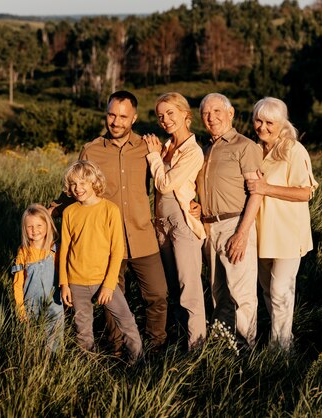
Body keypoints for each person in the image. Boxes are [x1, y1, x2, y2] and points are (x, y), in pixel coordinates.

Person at [50, 90, 168, 354]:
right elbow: (76, 186)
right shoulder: (91, 150)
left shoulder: (146, 147)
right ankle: (115, 351)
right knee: (111, 301)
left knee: (158, 294)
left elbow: (167, 181)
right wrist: (53, 209)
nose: (116, 121)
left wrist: (193, 202)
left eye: (123, 117)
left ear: (134, 118)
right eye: (111, 115)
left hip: (142, 236)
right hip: (105, 243)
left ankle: (156, 348)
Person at [247, 97, 319, 351]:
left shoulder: (293, 150)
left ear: (282, 124)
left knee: (279, 289)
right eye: (258, 120)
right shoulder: (253, 149)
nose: (263, 127)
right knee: (267, 290)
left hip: (287, 233)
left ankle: (281, 347)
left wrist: (267, 188)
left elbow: (305, 192)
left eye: (269, 122)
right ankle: (280, 337)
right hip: (261, 232)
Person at [194, 93, 263, 349]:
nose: (211, 117)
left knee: (241, 293)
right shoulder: (205, 150)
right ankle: (225, 346)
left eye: (216, 111)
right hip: (209, 227)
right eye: (206, 113)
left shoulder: (245, 146)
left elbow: (256, 193)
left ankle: (247, 349)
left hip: (235, 225)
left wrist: (242, 234)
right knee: (218, 292)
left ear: (230, 113)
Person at [59, 160, 143, 362]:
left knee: (126, 321)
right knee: (83, 328)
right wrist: (64, 284)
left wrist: (108, 284)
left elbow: (117, 250)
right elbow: (64, 250)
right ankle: (89, 365)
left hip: (105, 281)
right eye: (73, 185)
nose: (77, 189)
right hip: (76, 282)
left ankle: (138, 361)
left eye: (82, 183)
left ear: (94, 182)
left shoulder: (109, 209)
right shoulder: (69, 212)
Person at [142, 92, 207, 350]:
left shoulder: (193, 151)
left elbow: (166, 184)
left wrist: (154, 156)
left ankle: (197, 348)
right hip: (161, 224)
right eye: (160, 116)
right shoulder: (167, 147)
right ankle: (181, 341)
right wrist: (158, 153)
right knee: (173, 288)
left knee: (189, 288)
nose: (165, 120)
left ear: (184, 114)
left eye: (170, 113)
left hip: (181, 223)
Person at [11, 204, 64, 352]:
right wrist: (20, 309)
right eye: (30, 227)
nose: (35, 230)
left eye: (39, 225)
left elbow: (64, 276)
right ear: (24, 229)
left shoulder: (56, 250)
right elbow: (17, 283)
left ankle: (52, 366)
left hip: (55, 304)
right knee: (31, 343)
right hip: (31, 306)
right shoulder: (23, 252)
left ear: (48, 225)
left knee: (54, 344)